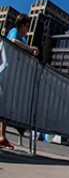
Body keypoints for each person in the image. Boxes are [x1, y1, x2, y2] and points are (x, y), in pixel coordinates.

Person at [1, 15, 39, 150]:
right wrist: (30, 49)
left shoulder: (23, 39)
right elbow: (13, 40)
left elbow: (25, 48)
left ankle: (2, 136)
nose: (28, 29)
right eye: (27, 25)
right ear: (22, 25)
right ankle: (1, 136)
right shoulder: (14, 31)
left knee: (4, 105)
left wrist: (32, 51)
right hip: (4, 71)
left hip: (13, 75)